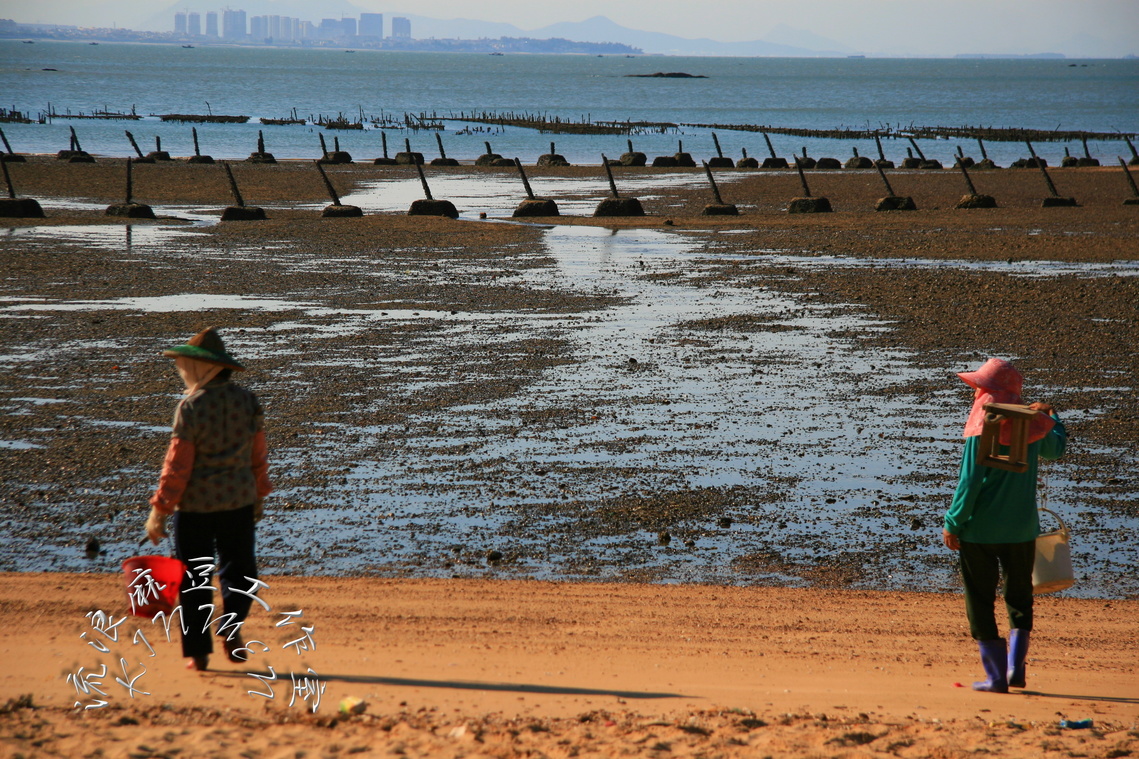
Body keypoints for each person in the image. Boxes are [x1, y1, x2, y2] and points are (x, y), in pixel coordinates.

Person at [145, 327, 272, 671]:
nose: (183, 372)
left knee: (193, 580)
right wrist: (259, 494)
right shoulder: (248, 401)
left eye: (186, 366)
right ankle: (231, 627)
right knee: (242, 573)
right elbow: (257, 456)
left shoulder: (190, 407)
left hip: (195, 509)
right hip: (238, 503)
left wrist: (160, 509)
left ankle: (198, 653)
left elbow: (177, 465)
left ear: (202, 369)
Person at [942, 358, 1066, 693]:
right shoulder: (1032, 424)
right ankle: (1016, 669)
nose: (976, 392)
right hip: (1022, 530)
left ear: (989, 393)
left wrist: (953, 523)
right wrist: (1050, 415)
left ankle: (996, 678)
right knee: (1019, 597)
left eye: (980, 387)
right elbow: (1056, 450)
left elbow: (969, 482)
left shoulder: (981, 426)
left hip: (979, 532)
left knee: (980, 601)